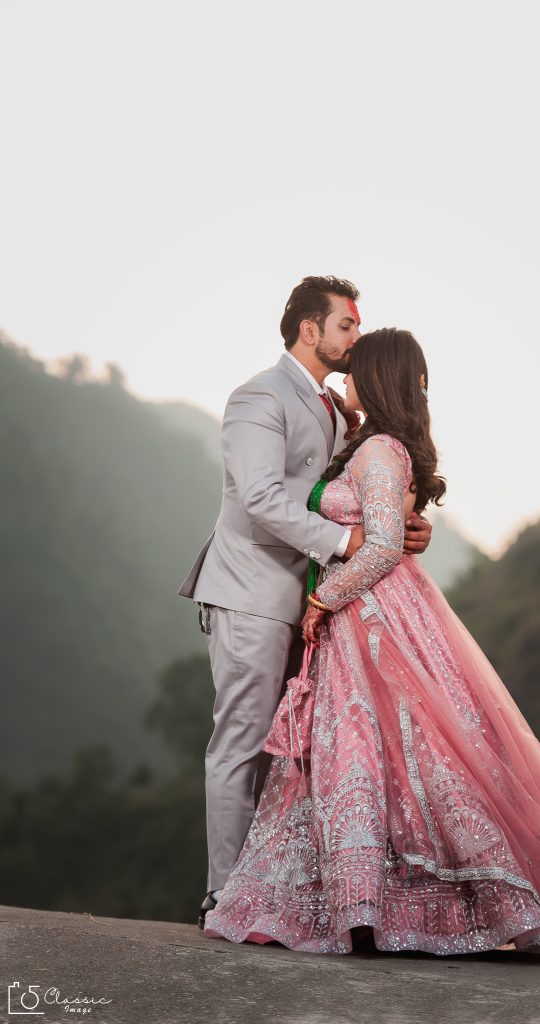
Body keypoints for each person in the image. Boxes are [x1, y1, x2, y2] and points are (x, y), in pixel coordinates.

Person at [202, 328, 540, 955]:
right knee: (379, 753)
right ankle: (368, 899)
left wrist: (325, 598)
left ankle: (380, 902)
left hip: (368, 613)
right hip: (364, 609)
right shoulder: (370, 441)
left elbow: (379, 544)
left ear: (375, 378)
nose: (345, 377)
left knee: (395, 750)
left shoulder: (378, 449)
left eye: (356, 369)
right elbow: (378, 527)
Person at [177, 279, 433, 928]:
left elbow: (355, 491)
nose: (355, 338)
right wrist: (350, 541)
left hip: (321, 605)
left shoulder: (338, 410)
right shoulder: (261, 395)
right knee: (243, 744)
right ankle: (222, 895)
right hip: (254, 593)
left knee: (299, 753)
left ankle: (278, 898)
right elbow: (261, 499)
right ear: (308, 330)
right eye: (345, 325)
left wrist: (402, 530)